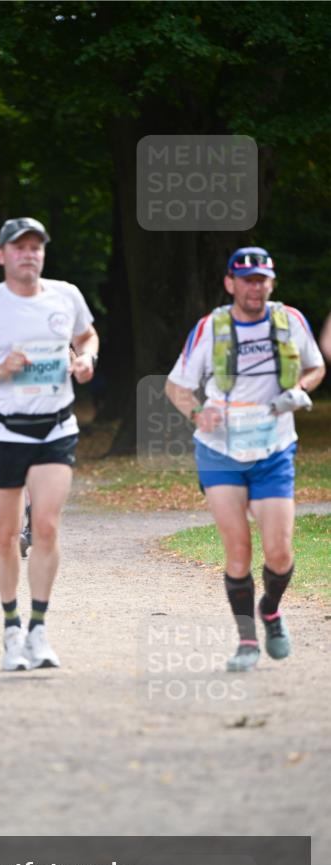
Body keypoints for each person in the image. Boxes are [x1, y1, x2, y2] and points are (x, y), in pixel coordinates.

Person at [0, 217, 99, 671]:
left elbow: (86, 335)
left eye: (36, 247)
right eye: (19, 247)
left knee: (45, 527)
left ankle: (39, 629)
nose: (29, 253)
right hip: (4, 429)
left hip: (56, 427)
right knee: (6, 535)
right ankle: (11, 627)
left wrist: (86, 357)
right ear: (1, 255)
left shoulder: (65, 295)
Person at [165, 247, 326, 671]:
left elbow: (316, 366)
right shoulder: (211, 328)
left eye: (262, 279)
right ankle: (247, 643)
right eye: (247, 279)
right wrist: (199, 413)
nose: (255, 287)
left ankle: (270, 609)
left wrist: (300, 390)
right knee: (238, 550)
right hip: (220, 451)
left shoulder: (289, 321)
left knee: (279, 552)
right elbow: (176, 387)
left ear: (272, 283)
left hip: (274, 450)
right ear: (230, 283)